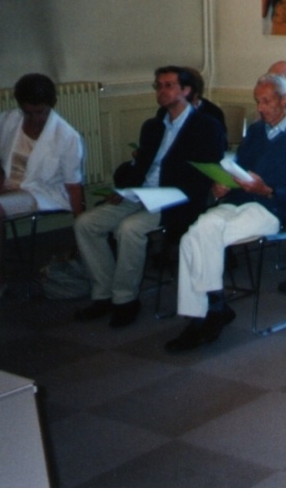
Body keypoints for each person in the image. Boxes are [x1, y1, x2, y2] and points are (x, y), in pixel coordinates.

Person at [164, 73, 286, 353]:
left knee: (202, 234)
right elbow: (239, 167)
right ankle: (210, 308)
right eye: (258, 101)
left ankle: (208, 313)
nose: (260, 108)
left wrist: (268, 190)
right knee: (193, 236)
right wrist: (224, 183)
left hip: (271, 208)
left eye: (267, 101)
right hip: (237, 202)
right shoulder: (257, 131)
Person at [74, 66, 225, 327]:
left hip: (177, 199)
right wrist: (123, 189)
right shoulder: (153, 126)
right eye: (158, 85)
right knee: (86, 223)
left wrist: (166, 191)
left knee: (129, 229)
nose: (161, 91)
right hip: (141, 193)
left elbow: (204, 175)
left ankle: (125, 299)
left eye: (169, 85)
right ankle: (104, 293)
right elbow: (141, 166)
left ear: (186, 91)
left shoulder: (205, 126)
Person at [0, 74, 84, 301]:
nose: (34, 118)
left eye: (40, 112)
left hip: (39, 192)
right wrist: (0, 175)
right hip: (6, 186)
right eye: (28, 112)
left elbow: (73, 186)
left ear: (51, 105)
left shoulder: (67, 136)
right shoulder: (8, 119)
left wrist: (82, 227)